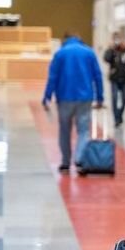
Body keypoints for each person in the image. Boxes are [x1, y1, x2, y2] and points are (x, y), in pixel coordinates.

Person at [41, 33, 104, 173]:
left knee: (64, 130)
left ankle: (65, 163)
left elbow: (53, 77)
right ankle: (80, 159)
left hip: (64, 97)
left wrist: (46, 96)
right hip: (85, 98)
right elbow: (98, 76)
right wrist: (100, 97)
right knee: (83, 130)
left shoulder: (60, 54)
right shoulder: (89, 53)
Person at [102, 34, 125, 127]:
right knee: (115, 97)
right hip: (114, 78)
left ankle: (120, 115)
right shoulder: (112, 50)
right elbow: (106, 59)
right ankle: (116, 118)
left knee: (124, 99)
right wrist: (110, 49)